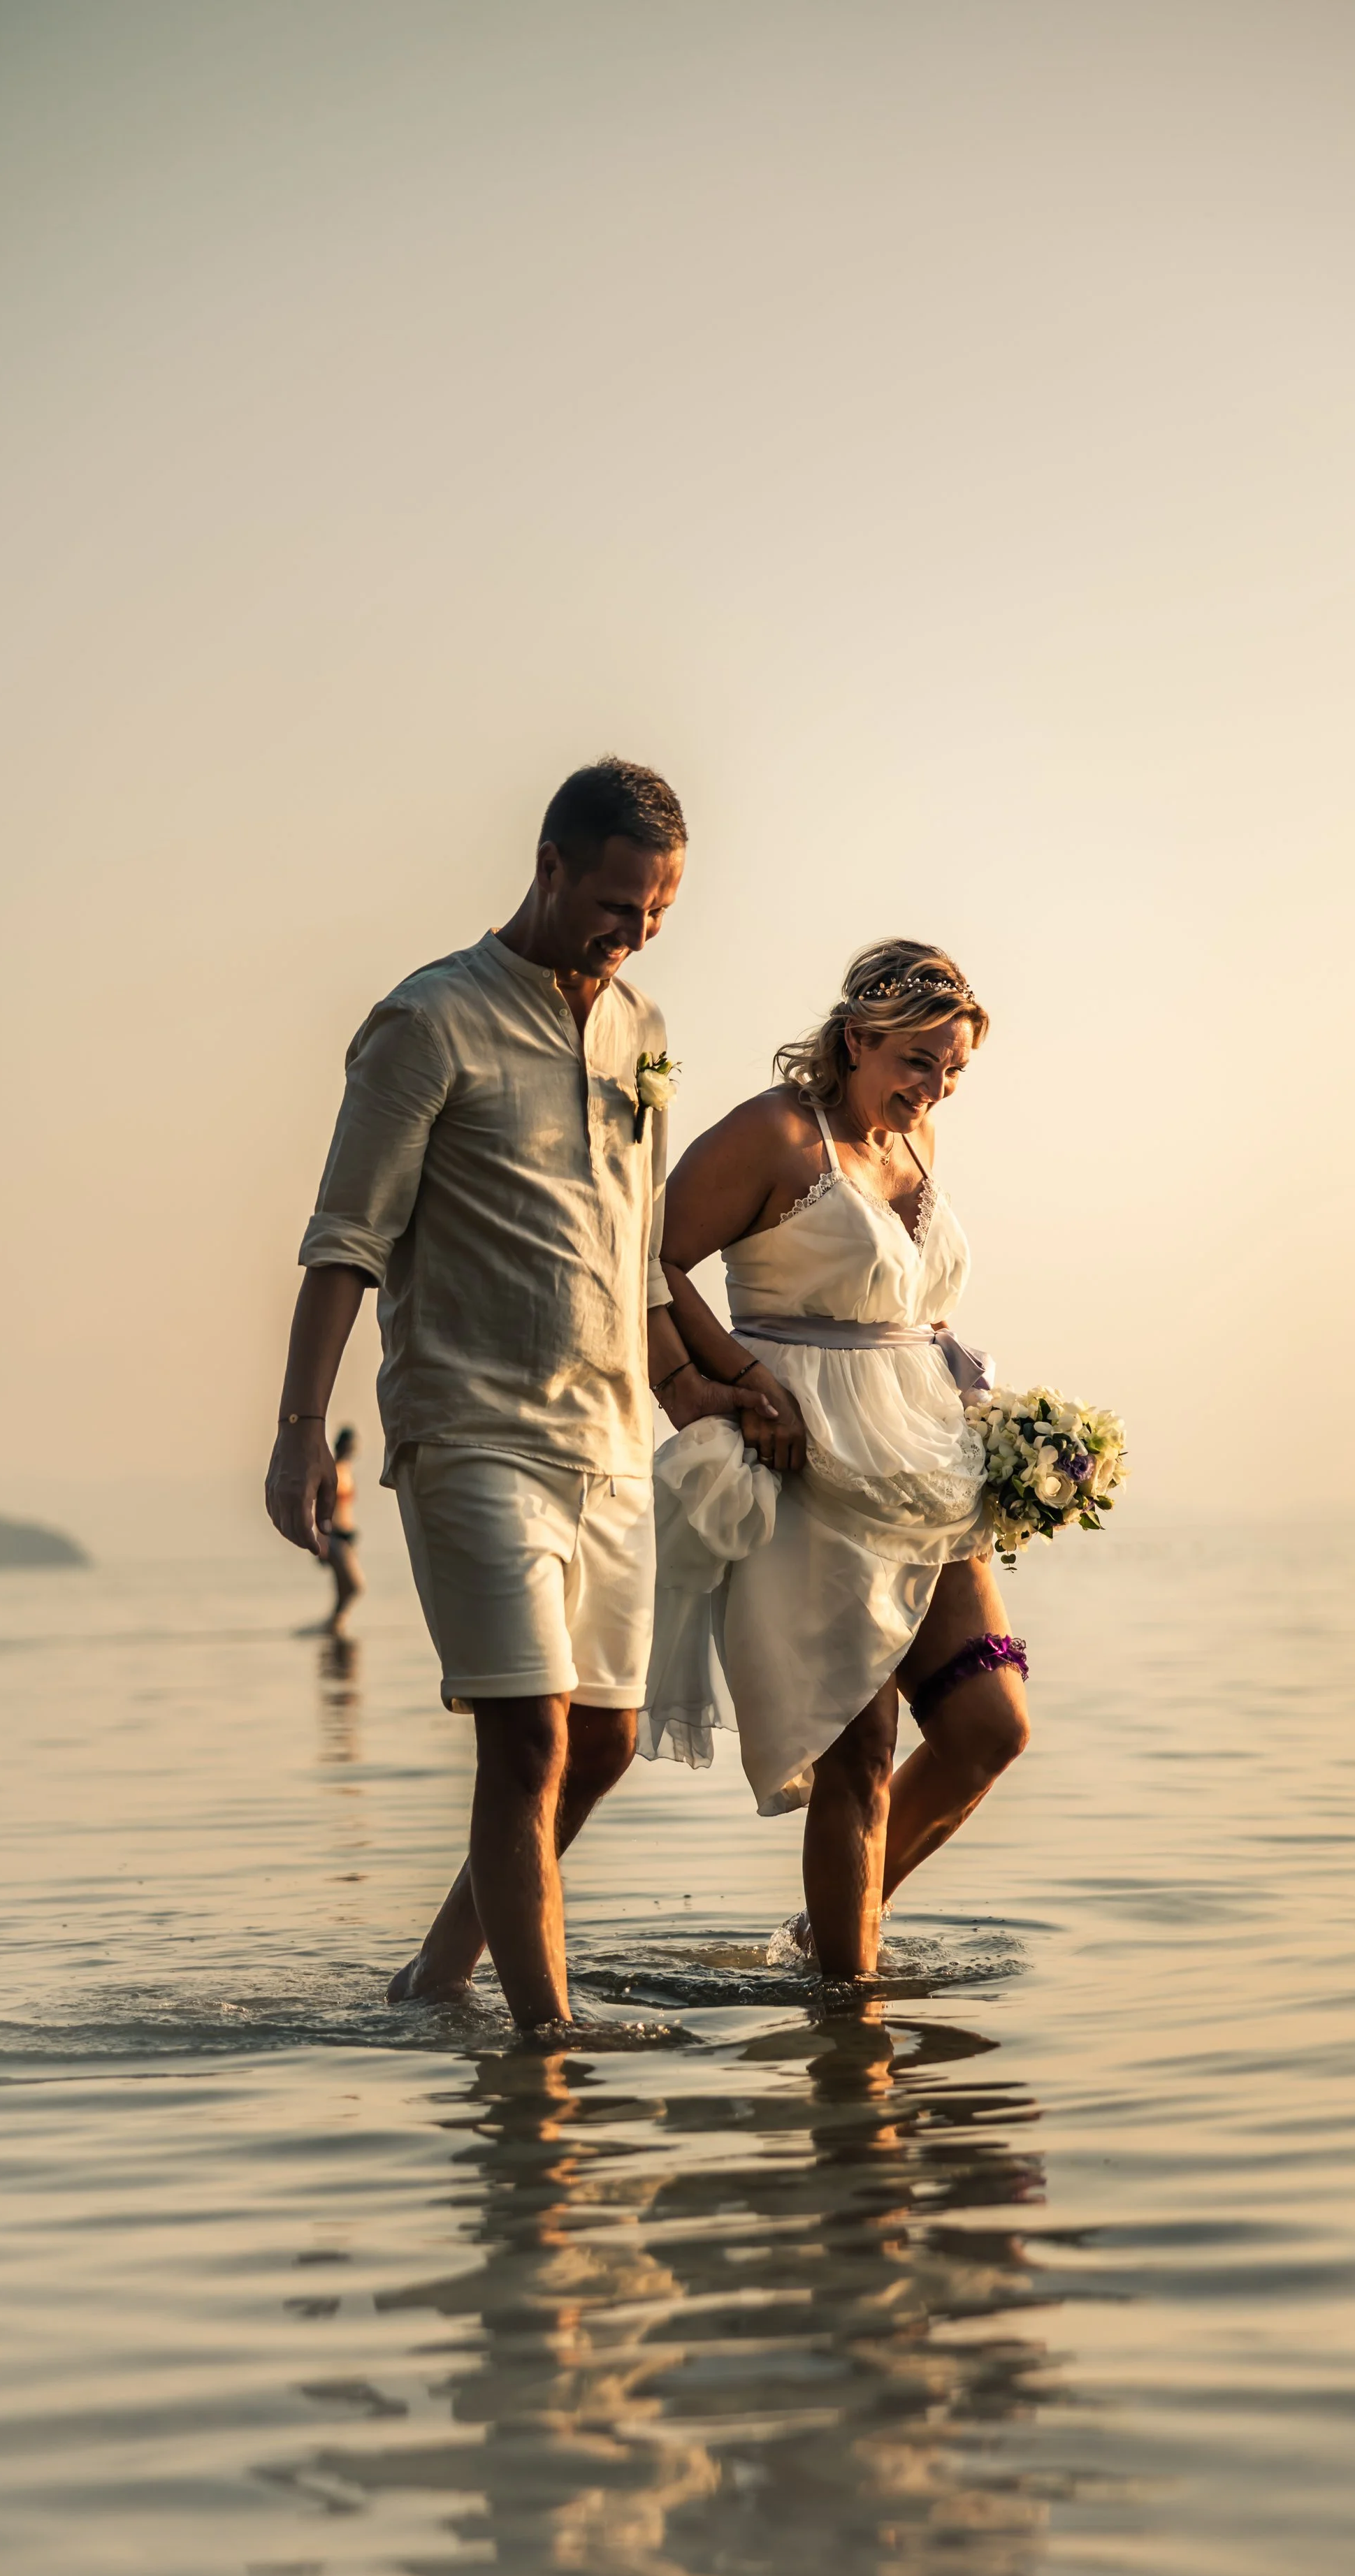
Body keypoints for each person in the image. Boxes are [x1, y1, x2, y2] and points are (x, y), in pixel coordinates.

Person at [263, 757, 771, 2028]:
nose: (633, 932)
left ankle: (434, 1981)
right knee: (528, 1740)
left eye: (656, 913)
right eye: (614, 903)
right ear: (547, 866)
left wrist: (698, 1393)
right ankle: (546, 2046)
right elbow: (346, 1241)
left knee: (600, 1746)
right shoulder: (427, 1022)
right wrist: (292, 1437)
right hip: (473, 1436)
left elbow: (634, 1253)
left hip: (608, 1448)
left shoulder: (641, 1031)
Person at [642, 940, 1031, 1979]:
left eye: (952, 1070)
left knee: (990, 1725)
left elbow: (912, 1303)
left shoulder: (919, 1144)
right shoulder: (775, 1133)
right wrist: (724, 1380)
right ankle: (850, 2020)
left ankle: (830, 1936)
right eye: (917, 1060)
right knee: (858, 1752)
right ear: (857, 1037)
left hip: (924, 1459)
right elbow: (649, 1252)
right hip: (810, 1461)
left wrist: (1001, 1426)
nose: (934, 1086)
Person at [317, 1424, 363, 1633]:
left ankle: (336, 1625)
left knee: (343, 1588)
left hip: (345, 1535)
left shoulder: (347, 1471)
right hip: (333, 1535)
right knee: (354, 1586)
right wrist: (322, 1540)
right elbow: (322, 1507)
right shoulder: (333, 1471)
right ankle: (334, 1623)